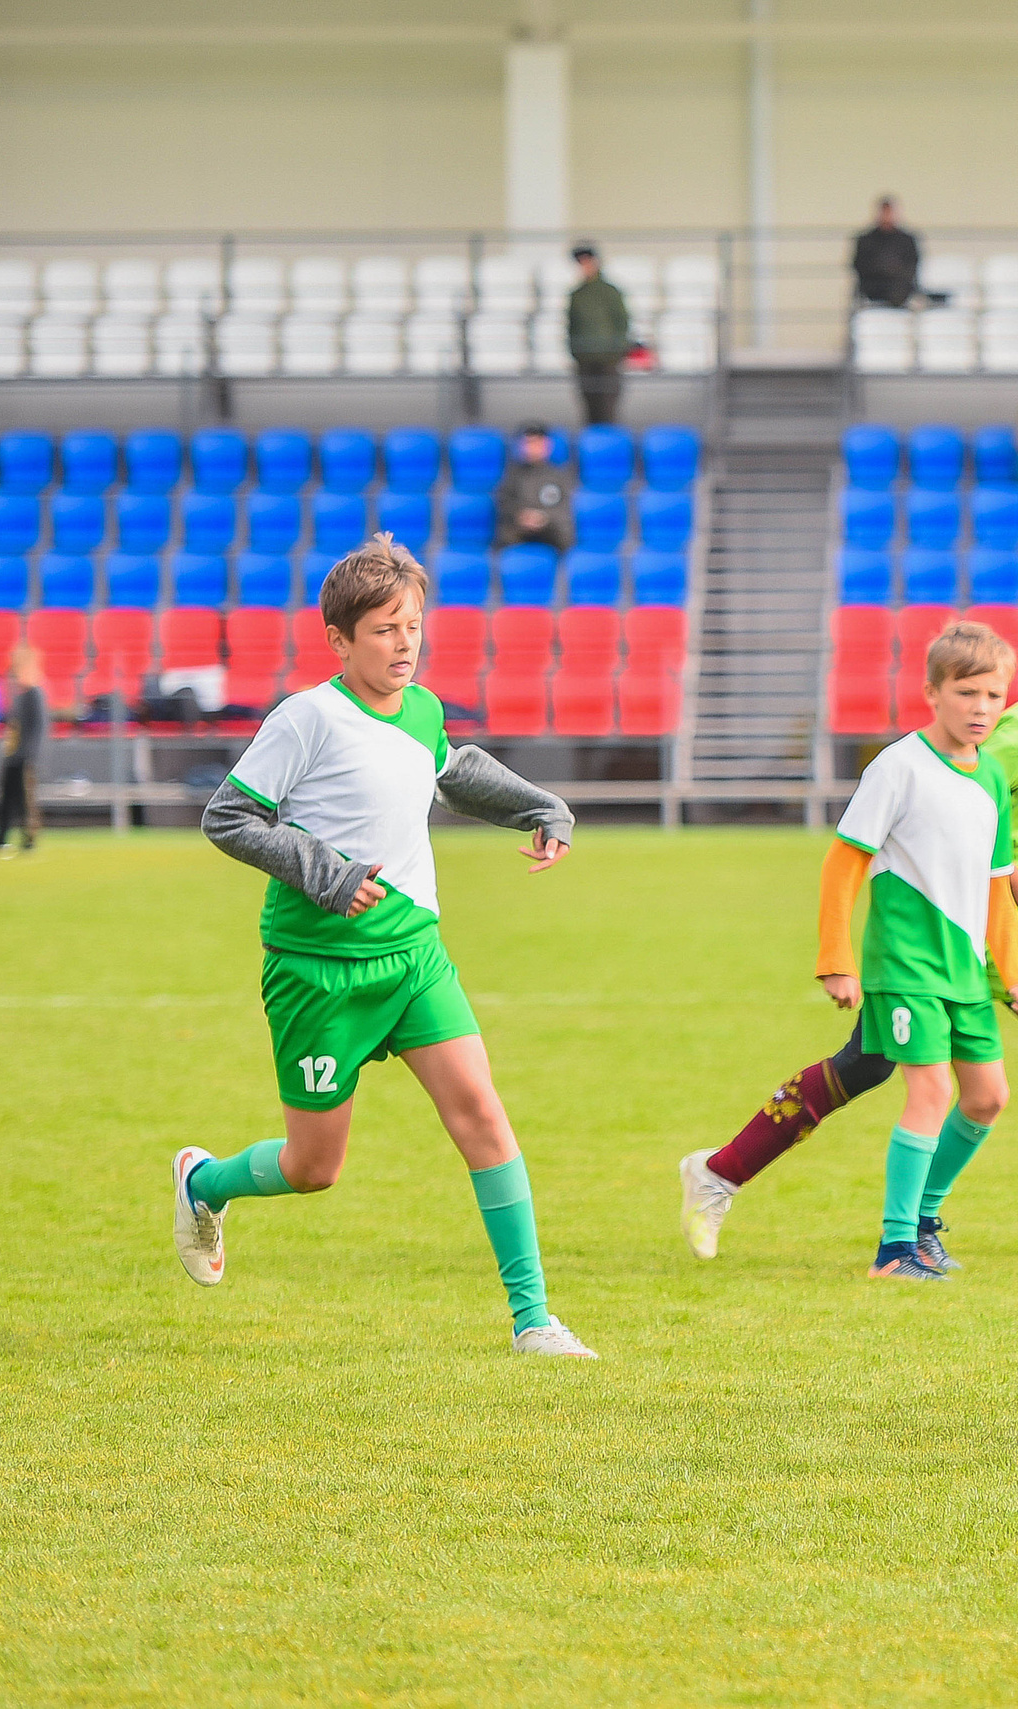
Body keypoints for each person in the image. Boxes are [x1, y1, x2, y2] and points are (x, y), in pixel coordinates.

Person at [179, 535, 595, 1358]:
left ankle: (533, 1320)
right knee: (314, 1167)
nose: (404, 644)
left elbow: (454, 770)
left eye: (413, 626)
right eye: (384, 630)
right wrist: (326, 874)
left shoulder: (423, 709)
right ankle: (204, 1180)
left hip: (413, 958)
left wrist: (541, 806)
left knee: (483, 1115)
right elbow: (226, 816)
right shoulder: (306, 718)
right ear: (339, 639)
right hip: (317, 973)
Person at [680, 597, 1018, 1263]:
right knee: (885, 1066)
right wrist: (1015, 885)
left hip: (997, 916)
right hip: (949, 916)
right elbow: (960, 806)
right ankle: (753, 1183)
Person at [801, 621, 1018, 1280]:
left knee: (987, 1097)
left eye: (994, 695)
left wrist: (1015, 969)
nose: (982, 708)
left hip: (964, 970)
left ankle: (924, 1224)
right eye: (967, 692)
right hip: (905, 965)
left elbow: (996, 885)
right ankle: (894, 1249)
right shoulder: (897, 767)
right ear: (933, 693)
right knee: (931, 1091)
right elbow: (843, 864)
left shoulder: (992, 778)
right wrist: (837, 958)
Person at [0, 643, 45, 852]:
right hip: (13, 755)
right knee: (6, 797)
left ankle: (29, 837)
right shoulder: (21, 696)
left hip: (24, 756)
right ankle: (1, 835)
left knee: (25, 799)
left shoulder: (34, 695)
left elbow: (37, 728)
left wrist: (29, 755)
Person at [566, 245, 630, 428]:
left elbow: (621, 322)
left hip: (608, 357)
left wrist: (617, 350)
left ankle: (608, 440)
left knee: (607, 405)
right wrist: (575, 351)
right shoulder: (577, 294)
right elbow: (572, 325)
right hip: (585, 357)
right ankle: (592, 440)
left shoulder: (610, 292)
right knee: (589, 404)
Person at [492, 422, 576, 551]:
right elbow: (503, 501)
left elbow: (564, 507)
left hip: (551, 530)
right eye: (528, 443)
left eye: (537, 443)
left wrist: (544, 518)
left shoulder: (560, 476)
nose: (532, 447)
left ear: (547, 445)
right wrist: (521, 515)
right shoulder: (512, 474)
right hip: (519, 527)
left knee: (565, 537)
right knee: (505, 538)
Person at [851, 196, 922, 309]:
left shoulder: (906, 240)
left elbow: (912, 265)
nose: (886, 216)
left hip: (900, 288)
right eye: (884, 212)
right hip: (873, 288)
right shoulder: (866, 240)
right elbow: (859, 265)